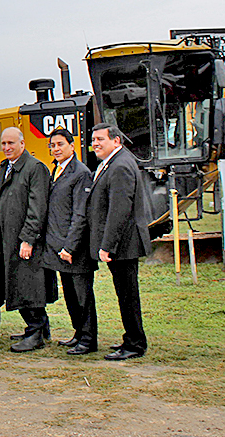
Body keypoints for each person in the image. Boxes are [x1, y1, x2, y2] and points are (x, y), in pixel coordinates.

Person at [88, 123, 152, 361]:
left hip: (124, 244)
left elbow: (119, 211)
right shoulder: (113, 163)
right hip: (121, 244)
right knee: (125, 295)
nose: (95, 143)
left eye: (100, 139)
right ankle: (132, 338)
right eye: (93, 139)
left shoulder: (121, 166)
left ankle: (135, 344)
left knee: (127, 295)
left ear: (116, 141)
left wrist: (107, 245)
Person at [0, 127, 56, 352]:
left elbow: (37, 207)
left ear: (22, 143)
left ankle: (35, 331)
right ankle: (40, 328)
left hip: (25, 242)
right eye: (3, 144)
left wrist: (28, 239)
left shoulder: (35, 168)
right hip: (7, 240)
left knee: (30, 285)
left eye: (11, 143)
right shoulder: (3, 168)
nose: (7, 148)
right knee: (16, 284)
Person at [40, 128, 98, 355]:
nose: (55, 149)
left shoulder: (81, 173)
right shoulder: (57, 170)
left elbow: (80, 214)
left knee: (83, 296)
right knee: (71, 295)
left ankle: (88, 339)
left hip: (75, 249)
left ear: (71, 146)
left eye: (60, 144)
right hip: (59, 247)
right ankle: (78, 333)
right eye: (52, 145)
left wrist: (70, 247)